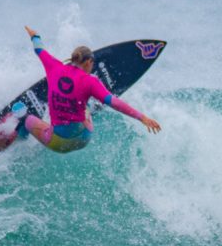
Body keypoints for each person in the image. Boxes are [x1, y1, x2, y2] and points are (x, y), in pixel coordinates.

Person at [14, 25, 161, 153]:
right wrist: (142, 117)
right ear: (89, 62)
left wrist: (34, 35)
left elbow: (39, 49)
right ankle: (85, 103)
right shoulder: (91, 81)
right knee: (85, 106)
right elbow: (113, 102)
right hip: (84, 137)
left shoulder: (54, 67)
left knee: (28, 120)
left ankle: (19, 140)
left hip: (59, 143)